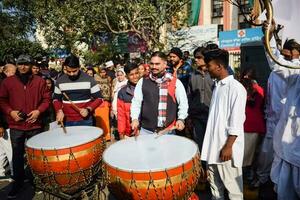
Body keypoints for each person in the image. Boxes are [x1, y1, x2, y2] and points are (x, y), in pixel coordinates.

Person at [0, 54, 51, 198]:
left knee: (36, 156)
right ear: (16, 65)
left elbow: (47, 99)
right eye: (20, 64)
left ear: (31, 65)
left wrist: (38, 111)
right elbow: (2, 100)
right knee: (17, 156)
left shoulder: (40, 81)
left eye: (26, 64)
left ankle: (38, 181)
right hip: (16, 124)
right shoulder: (8, 82)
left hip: (34, 124)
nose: (23, 67)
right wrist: (11, 112)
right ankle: (18, 183)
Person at [201, 48, 247, 200]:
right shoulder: (217, 87)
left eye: (209, 66)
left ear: (219, 66)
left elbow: (237, 120)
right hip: (213, 148)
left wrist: (228, 147)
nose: (206, 69)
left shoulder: (236, 88)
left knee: (234, 191)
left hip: (226, 150)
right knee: (215, 189)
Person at [131, 51, 188, 135]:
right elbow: (136, 102)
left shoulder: (175, 82)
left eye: (157, 64)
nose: (154, 67)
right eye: (152, 64)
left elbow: (183, 103)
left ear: (165, 64)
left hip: (168, 131)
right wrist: (135, 118)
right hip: (146, 131)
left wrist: (181, 119)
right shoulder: (143, 81)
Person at [53, 54, 102, 127]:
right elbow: (56, 99)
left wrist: (88, 109)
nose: (71, 74)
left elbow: (99, 98)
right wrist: (59, 110)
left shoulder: (89, 79)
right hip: (67, 120)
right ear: (65, 67)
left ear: (79, 67)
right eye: (68, 71)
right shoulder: (60, 80)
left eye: (74, 71)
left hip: (85, 120)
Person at [239, 68, 265, 183]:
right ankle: (249, 176)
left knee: (247, 155)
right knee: (250, 154)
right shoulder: (256, 89)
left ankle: (247, 176)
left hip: (248, 125)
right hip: (250, 125)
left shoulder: (250, 89)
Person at [187, 46, 214, 155]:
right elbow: (189, 95)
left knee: (212, 145)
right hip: (197, 116)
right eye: (195, 58)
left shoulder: (214, 75)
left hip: (211, 116)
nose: (196, 60)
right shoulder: (193, 75)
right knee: (199, 145)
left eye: (199, 57)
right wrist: (189, 115)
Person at [117, 63, 140, 139]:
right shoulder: (122, 92)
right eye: (131, 75)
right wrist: (121, 133)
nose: (135, 77)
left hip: (145, 131)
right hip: (130, 132)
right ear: (127, 76)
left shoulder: (146, 89)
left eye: (137, 73)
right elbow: (121, 116)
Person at [93, 66, 112, 140]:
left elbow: (110, 89)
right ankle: (99, 136)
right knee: (98, 120)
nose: (103, 73)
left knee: (105, 120)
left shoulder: (108, 78)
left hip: (106, 102)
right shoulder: (95, 78)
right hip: (97, 102)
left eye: (104, 72)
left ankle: (107, 136)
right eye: (101, 72)